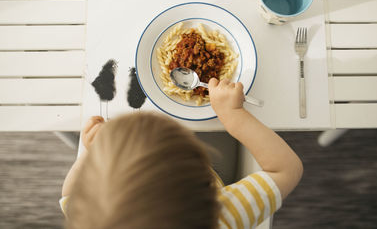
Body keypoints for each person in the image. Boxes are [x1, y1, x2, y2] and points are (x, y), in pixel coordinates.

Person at [60, 78, 303, 229]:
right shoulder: (223, 215)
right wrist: (233, 116)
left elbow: (70, 195)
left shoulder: (97, 214)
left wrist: (89, 157)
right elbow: (286, 168)